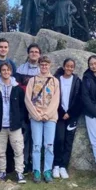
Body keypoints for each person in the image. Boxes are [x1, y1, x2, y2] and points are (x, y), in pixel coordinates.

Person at [25, 55, 61, 183]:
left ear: (49, 65)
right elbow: (27, 99)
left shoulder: (55, 81)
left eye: (46, 64)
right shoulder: (32, 80)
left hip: (50, 117)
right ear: (39, 65)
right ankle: (36, 170)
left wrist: (47, 114)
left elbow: (56, 100)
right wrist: (36, 114)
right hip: (36, 116)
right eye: (42, 64)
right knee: (36, 145)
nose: (44, 67)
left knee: (49, 145)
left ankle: (47, 170)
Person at [0, 63, 27, 184]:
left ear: (11, 71)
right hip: (0, 126)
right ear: (0, 72)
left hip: (14, 125)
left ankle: (19, 172)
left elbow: (22, 107)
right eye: (3, 70)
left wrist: (19, 120)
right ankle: (2, 171)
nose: (6, 72)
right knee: (0, 151)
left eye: (8, 70)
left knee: (18, 149)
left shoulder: (17, 89)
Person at [53, 58, 83, 179]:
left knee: (68, 141)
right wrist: (62, 112)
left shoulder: (77, 81)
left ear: (74, 68)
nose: (69, 68)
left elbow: (79, 99)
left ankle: (63, 166)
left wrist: (69, 113)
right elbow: (53, 98)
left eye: (71, 66)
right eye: (67, 66)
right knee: (59, 139)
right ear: (64, 66)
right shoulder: (56, 79)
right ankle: (56, 165)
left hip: (72, 116)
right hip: (59, 115)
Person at [15, 43, 41, 173]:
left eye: (36, 52)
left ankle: (34, 162)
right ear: (28, 53)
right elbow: (18, 88)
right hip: (23, 108)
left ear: (39, 54)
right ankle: (24, 162)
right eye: (32, 51)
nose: (34, 54)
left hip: (38, 108)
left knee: (36, 136)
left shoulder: (42, 70)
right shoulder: (20, 69)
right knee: (24, 135)